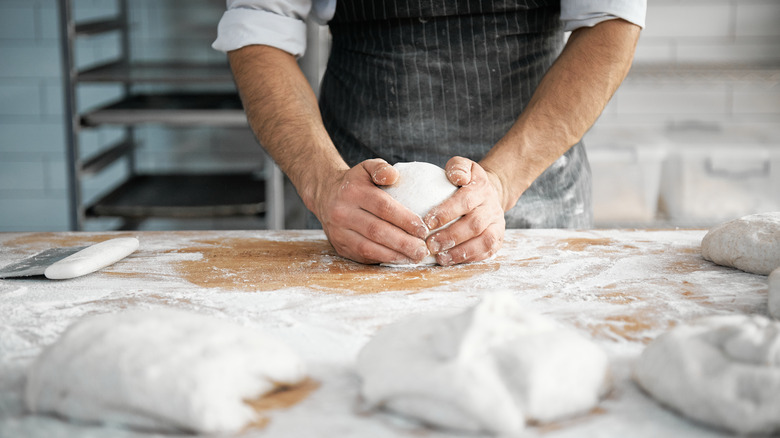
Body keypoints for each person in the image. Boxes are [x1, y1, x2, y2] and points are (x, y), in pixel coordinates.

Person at [213, 0, 646, 266]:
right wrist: (323, 182)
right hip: (357, 202)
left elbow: (612, 19)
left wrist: (503, 181)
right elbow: (259, 24)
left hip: (534, 190)